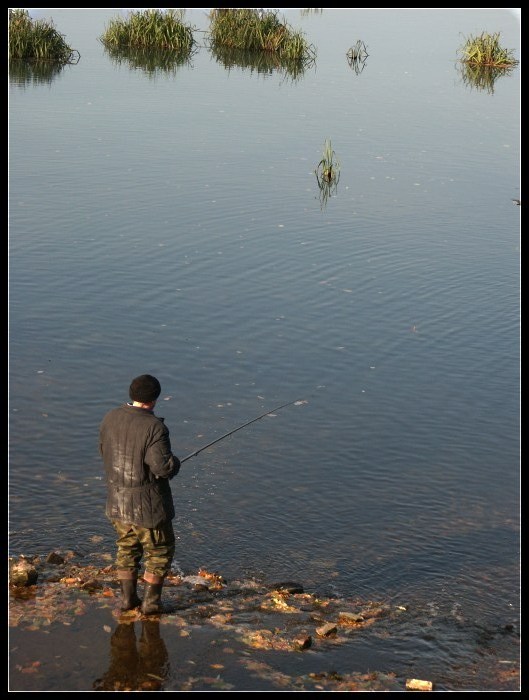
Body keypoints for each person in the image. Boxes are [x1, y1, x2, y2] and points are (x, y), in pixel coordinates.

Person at [99, 374, 181, 615]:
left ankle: (127, 600)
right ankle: (151, 604)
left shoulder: (110, 417)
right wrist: (174, 463)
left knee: (127, 548)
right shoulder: (155, 427)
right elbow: (161, 468)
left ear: (132, 395)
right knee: (160, 551)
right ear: (155, 399)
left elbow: (103, 451)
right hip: (149, 507)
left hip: (117, 502)